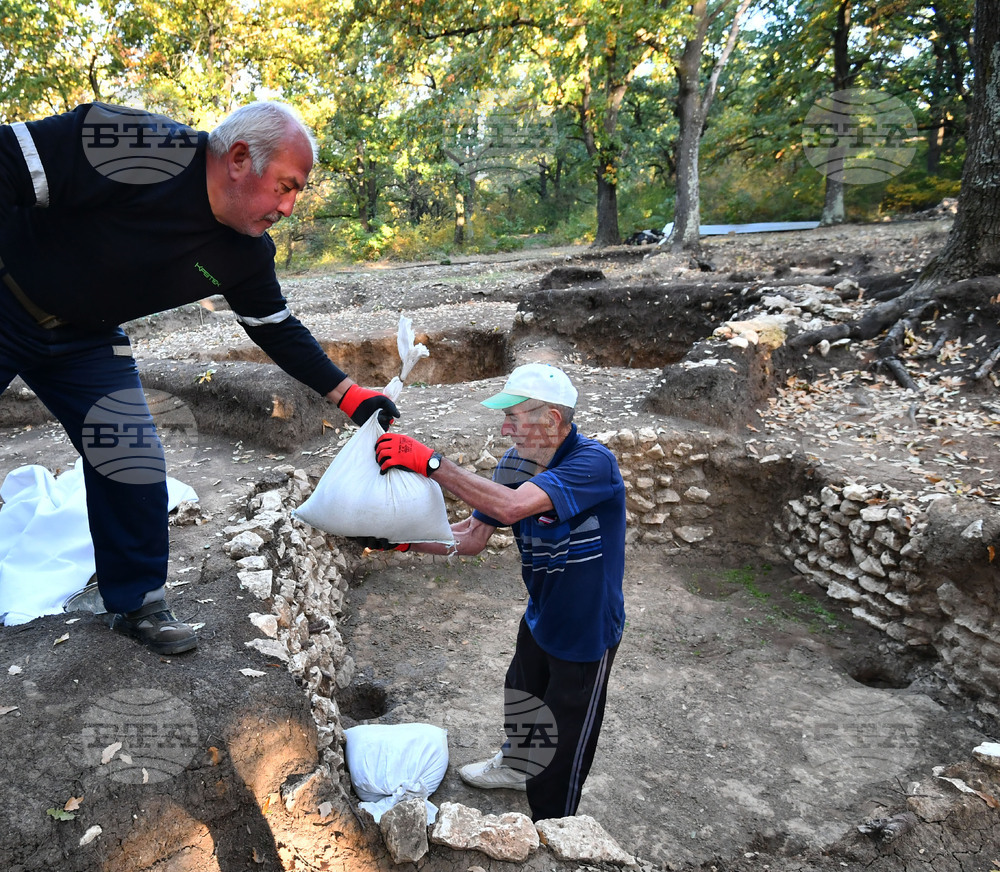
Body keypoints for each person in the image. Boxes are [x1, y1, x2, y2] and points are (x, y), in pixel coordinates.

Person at [0, 101, 398, 655]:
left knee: (132, 454)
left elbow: (277, 328)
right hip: (7, 298)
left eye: (296, 194)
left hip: (84, 337)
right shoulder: (131, 143)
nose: (288, 207)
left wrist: (352, 396)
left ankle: (136, 603)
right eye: (285, 187)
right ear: (238, 158)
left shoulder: (246, 253)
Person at [370, 363, 626, 822]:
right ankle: (515, 766)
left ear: (551, 419)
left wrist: (431, 463)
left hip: (587, 630)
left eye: (514, 417)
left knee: (563, 746)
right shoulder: (511, 465)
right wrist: (398, 540)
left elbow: (510, 508)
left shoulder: (593, 463)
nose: (504, 428)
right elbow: (470, 538)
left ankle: (554, 832)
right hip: (541, 614)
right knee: (523, 695)